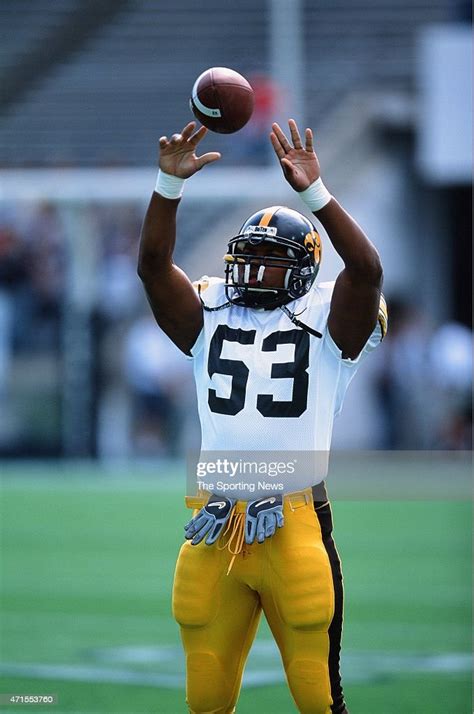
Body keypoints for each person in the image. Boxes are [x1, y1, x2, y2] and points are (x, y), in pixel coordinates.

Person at [138, 118, 387, 714]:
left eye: (269, 261)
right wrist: (167, 186)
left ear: (301, 269)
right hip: (214, 520)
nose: (251, 270)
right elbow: (152, 266)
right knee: (205, 698)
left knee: (318, 700)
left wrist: (316, 194)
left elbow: (368, 270)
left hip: (294, 522)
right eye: (246, 257)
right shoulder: (210, 312)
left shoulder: (331, 320)